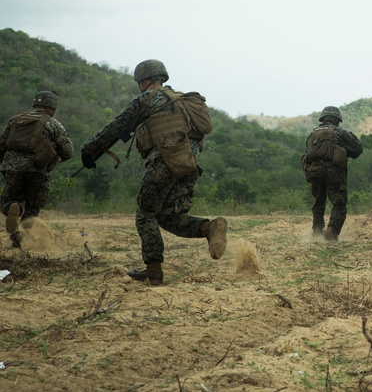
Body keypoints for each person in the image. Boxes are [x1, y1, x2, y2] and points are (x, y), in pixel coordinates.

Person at [80, 60, 227, 286]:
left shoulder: (146, 100)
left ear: (145, 81)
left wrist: (90, 151)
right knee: (168, 216)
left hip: (164, 163)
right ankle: (209, 228)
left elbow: (116, 127)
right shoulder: (181, 100)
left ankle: (153, 271)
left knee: (145, 212)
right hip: (190, 165)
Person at [0, 91, 75, 248]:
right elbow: (68, 151)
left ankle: (13, 207)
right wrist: (54, 159)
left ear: (35, 104)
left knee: (10, 200)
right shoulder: (53, 124)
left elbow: (1, 144)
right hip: (37, 170)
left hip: (12, 169)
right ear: (52, 107)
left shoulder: (16, 120)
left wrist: (6, 165)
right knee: (32, 208)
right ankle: (19, 239)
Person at [302, 106, 364, 241]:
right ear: (337, 120)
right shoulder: (339, 133)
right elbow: (358, 149)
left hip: (314, 172)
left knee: (319, 202)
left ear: (322, 119)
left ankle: (317, 232)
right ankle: (332, 230)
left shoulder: (312, 134)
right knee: (339, 204)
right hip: (334, 173)